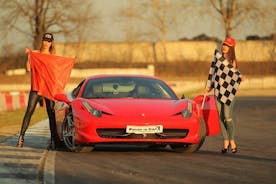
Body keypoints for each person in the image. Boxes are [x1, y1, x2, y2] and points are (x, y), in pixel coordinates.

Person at [17, 33, 62, 150]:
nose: (46, 43)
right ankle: (21, 137)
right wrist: (30, 56)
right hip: (36, 87)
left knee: (51, 114)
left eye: (49, 41)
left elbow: (56, 75)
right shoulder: (35, 54)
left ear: (51, 43)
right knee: (29, 111)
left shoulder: (53, 57)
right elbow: (28, 68)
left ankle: (53, 140)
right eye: (45, 40)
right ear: (42, 41)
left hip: (48, 88)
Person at [204, 37, 242, 154]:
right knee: (220, 118)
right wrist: (208, 86)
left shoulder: (232, 61)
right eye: (223, 44)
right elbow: (212, 73)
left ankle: (232, 141)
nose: (224, 47)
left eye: (227, 45)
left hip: (229, 93)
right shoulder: (218, 58)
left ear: (231, 48)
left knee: (227, 116)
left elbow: (235, 78)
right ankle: (225, 141)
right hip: (217, 91)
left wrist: (240, 77)